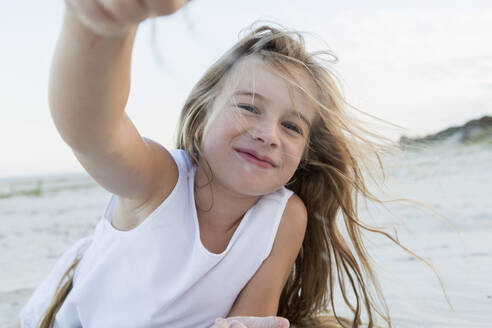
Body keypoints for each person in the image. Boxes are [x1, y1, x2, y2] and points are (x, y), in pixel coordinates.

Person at [16, 0, 427, 327]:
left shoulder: (284, 216)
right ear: (199, 122)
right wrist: (98, 25)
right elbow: (92, 130)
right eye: (249, 107)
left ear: (304, 155)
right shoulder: (160, 182)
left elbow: (251, 317)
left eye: (291, 126)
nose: (269, 133)